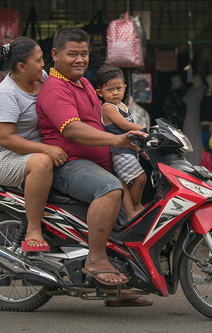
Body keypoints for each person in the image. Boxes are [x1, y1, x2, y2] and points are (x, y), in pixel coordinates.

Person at [36, 27, 152, 306]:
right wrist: (117, 140)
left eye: (84, 54)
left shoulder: (86, 84)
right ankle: (95, 258)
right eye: (72, 54)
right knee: (111, 189)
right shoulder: (55, 89)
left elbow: (109, 119)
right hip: (70, 165)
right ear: (55, 54)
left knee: (128, 217)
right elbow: (73, 130)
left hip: (95, 163)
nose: (79, 59)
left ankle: (114, 291)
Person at [0, 37, 68, 252]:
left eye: (43, 58)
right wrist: (46, 148)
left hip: (26, 152)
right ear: (21, 67)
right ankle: (33, 229)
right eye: (38, 60)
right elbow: (5, 138)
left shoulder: (42, 78)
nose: (43, 64)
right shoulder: (7, 93)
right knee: (43, 163)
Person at [95, 65, 147, 221]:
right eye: (110, 90)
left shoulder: (123, 106)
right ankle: (135, 206)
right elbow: (125, 127)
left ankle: (130, 210)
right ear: (100, 93)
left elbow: (131, 134)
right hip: (120, 152)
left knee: (128, 181)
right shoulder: (108, 108)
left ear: (125, 88)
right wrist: (147, 129)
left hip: (130, 150)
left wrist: (142, 150)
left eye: (118, 88)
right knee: (140, 178)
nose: (115, 92)